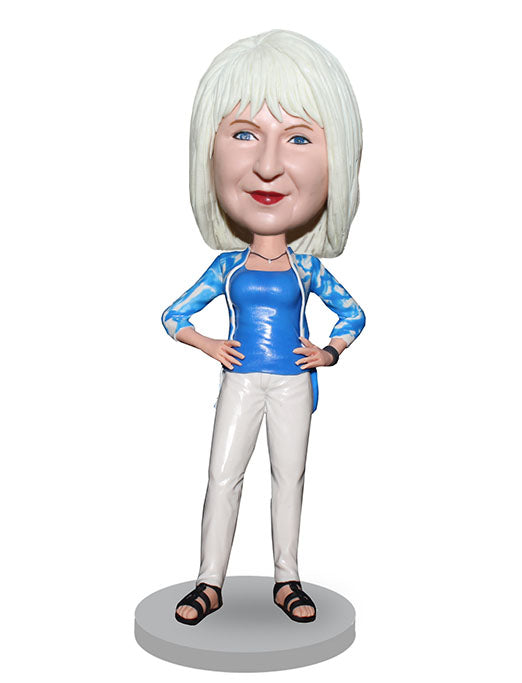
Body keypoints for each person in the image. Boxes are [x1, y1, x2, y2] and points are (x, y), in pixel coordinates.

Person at [162, 29, 365, 625]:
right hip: (242, 379)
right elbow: (174, 316)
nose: (268, 164)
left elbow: (353, 313)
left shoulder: (308, 269)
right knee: (222, 476)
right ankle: (209, 583)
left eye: (298, 137)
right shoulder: (226, 268)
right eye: (245, 134)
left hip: (292, 381)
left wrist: (329, 351)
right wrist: (210, 345)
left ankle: (287, 579)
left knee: (289, 479)